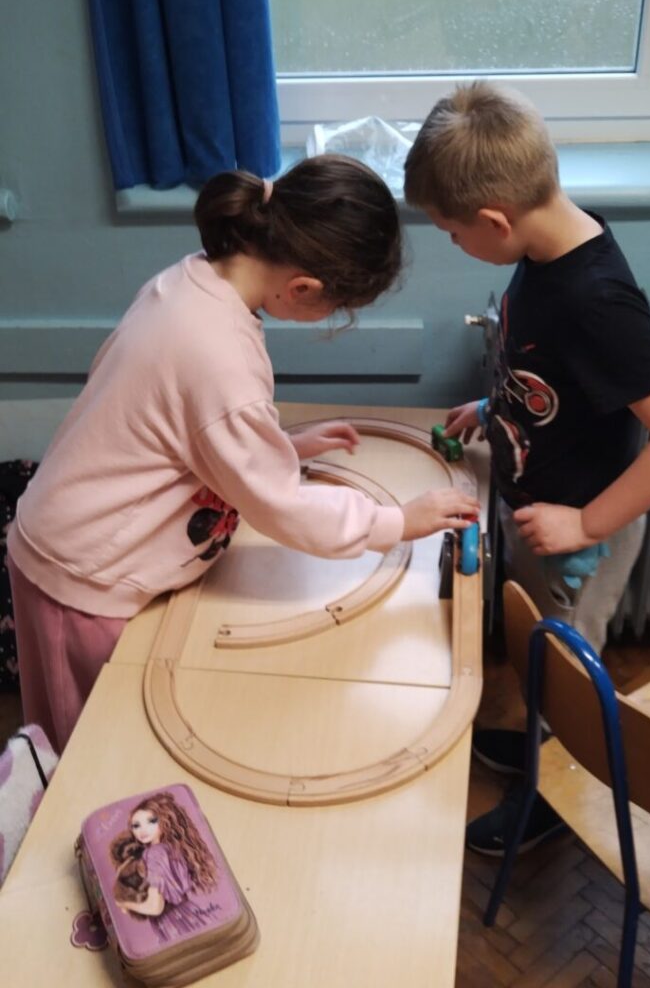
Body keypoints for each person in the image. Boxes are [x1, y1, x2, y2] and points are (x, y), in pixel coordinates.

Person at [7, 154, 480, 755]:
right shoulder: (218, 351)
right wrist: (397, 522)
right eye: (334, 310)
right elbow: (280, 507)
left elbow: (183, 426)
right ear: (303, 287)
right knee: (86, 753)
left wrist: (278, 447)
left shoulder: (194, 279)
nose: (330, 319)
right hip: (81, 575)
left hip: (79, 540)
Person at [404, 81, 650, 855]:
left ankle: (556, 787)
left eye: (452, 232)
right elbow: (551, 373)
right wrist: (491, 404)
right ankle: (537, 741)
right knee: (537, 651)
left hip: (580, 536)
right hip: (541, 511)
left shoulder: (593, 300)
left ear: (495, 220)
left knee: (566, 670)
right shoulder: (548, 242)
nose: (452, 244)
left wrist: (586, 523)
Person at [111, 791, 218, 942]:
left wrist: (124, 904)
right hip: (189, 912)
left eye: (151, 821)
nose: (143, 830)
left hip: (173, 923)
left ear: (164, 819)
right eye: (136, 825)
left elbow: (155, 907)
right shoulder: (171, 848)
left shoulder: (154, 855)